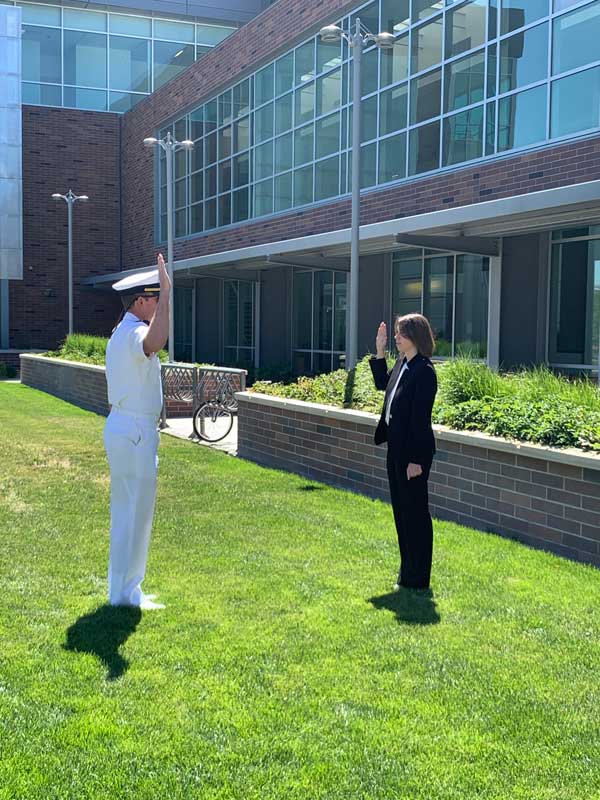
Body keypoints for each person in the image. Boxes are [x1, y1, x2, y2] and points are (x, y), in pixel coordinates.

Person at [103, 253, 170, 610]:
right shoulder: (135, 332)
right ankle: (127, 595)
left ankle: (124, 591)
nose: (159, 304)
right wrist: (170, 294)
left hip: (126, 427)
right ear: (141, 301)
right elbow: (155, 342)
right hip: (134, 431)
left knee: (128, 513)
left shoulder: (123, 331)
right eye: (155, 298)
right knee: (136, 514)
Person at [370, 314, 438, 591]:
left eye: (400, 333)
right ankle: (406, 572)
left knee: (415, 515)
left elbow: (420, 421)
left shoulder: (424, 371)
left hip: (413, 456)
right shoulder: (402, 364)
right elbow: (381, 385)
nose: (396, 337)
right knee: (401, 513)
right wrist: (380, 351)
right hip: (395, 450)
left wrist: (416, 462)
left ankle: (418, 578)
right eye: (395, 333)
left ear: (415, 336)